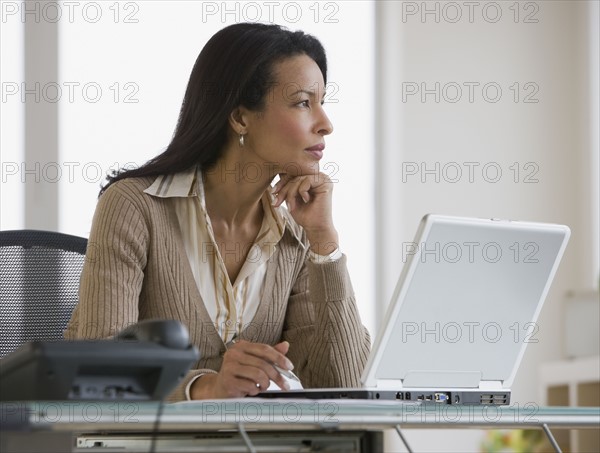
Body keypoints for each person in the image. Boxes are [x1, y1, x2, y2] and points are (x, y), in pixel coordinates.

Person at [64, 22, 370, 401]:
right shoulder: (135, 207)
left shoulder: (298, 231)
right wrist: (205, 387)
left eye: (323, 103)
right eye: (304, 102)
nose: (326, 125)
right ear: (241, 117)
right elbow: (96, 368)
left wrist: (325, 244)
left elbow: (344, 383)